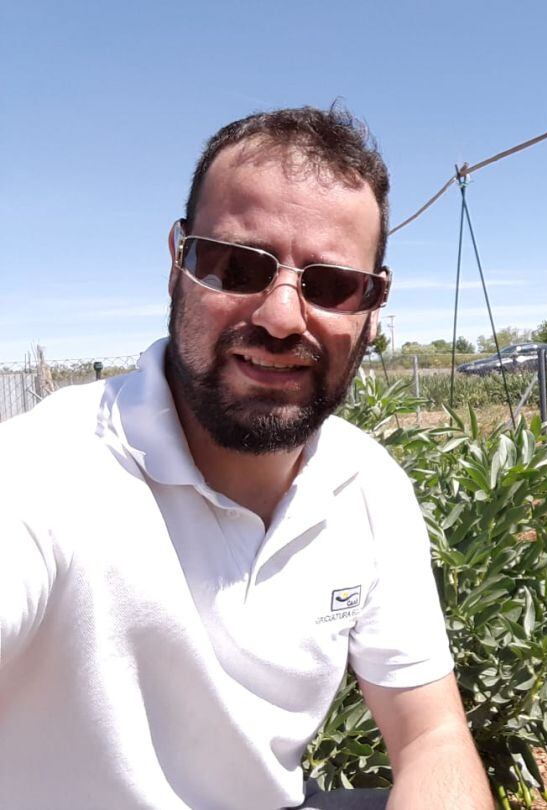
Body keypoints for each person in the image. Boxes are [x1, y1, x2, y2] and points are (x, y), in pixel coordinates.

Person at [0, 106, 492, 810]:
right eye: (236, 266)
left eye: (331, 286)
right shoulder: (45, 469)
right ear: (178, 265)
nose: (282, 317)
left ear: (373, 309)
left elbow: (431, 737)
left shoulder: (367, 484)